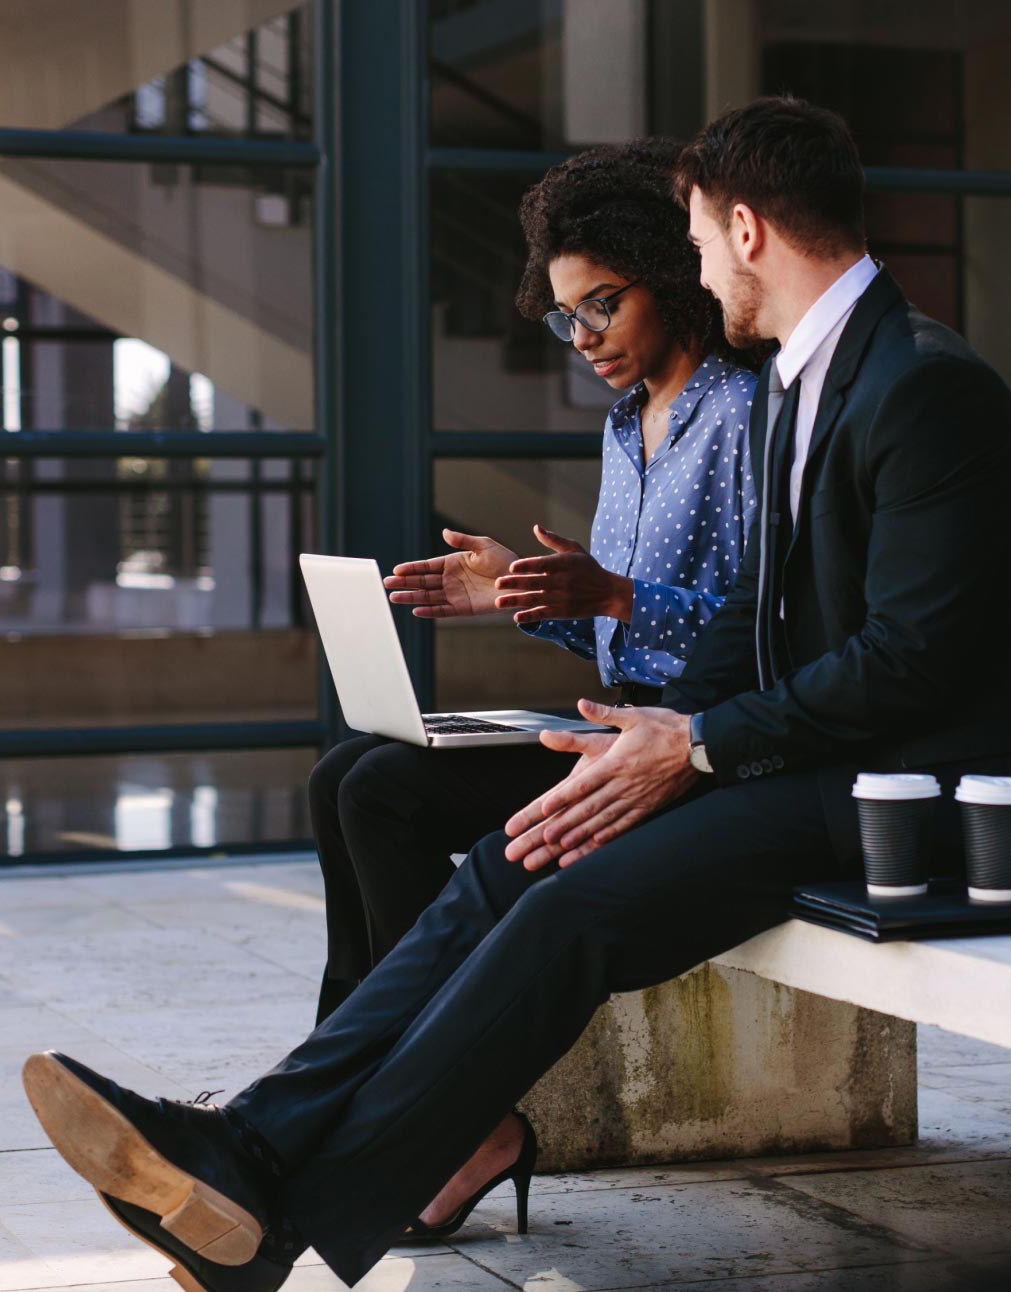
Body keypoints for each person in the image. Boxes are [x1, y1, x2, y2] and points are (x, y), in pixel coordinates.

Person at [22, 96, 1011, 1292]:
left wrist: (688, 741)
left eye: (689, 241)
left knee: (560, 905)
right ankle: (251, 1146)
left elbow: (913, 661)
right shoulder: (814, 381)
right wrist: (606, 667)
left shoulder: (918, 386)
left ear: (743, 231)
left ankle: (277, 1222)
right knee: (513, 861)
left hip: (930, 800)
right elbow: (781, 630)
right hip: (811, 759)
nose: (689, 265)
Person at [309, 137, 762, 1022]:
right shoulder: (626, 424)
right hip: (611, 719)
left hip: (690, 746)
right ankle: (342, 1038)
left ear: (670, 273)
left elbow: (771, 627)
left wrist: (617, 596)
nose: (583, 337)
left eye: (601, 305)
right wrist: (519, 590)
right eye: (566, 317)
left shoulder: (742, 417)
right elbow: (605, 609)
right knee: (340, 774)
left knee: (381, 793)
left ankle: (404, 1052)